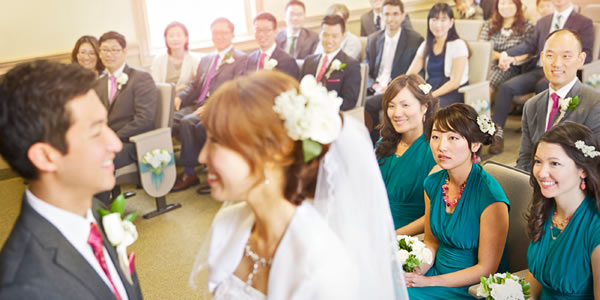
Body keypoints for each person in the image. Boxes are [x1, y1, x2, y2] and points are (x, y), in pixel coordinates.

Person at [189, 71, 408, 299]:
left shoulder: (324, 267)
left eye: (216, 141)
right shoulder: (227, 224)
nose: (202, 157)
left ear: (274, 152)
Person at [0, 60, 143, 299]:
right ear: (46, 156)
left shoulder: (95, 211)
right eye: (96, 132)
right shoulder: (23, 287)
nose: (116, 144)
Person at [405, 103, 510, 299]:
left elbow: (486, 269)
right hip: (435, 274)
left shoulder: (490, 197)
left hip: (469, 287)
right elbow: (431, 242)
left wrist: (429, 282)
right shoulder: (433, 183)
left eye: (453, 138)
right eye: (436, 137)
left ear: (475, 145)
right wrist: (419, 271)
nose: (441, 146)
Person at [490, 0, 594, 154]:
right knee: (506, 87)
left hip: (561, 72)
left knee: (543, 86)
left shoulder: (583, 22)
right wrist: (508, 54)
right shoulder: (543, 21)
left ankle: (543, 137)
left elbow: (588, 54)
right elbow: (529, 45)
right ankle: (497, 134)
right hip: (539, 68)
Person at [524, 122, 600, 299]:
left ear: (583, 170)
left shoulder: (595, 228)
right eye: (538, 162)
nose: (542, 173)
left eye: (554, 163)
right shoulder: (546, 209)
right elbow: (536, 277)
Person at [171, 17, 247, 192]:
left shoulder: (242, 59)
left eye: (224, 32)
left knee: (188, 121)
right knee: (169, 119)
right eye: (215, 33)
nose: (219, 36)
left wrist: (213, 106)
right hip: (197, 102)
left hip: (221, 106)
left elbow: (238, 89)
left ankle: (190, 172)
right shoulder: (206, 59)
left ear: (232, 35)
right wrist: (180, 97)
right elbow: (195, 85)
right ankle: (165, 169)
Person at [516, 29, 600, 171]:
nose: (556, 63)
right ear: (542, 58)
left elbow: (595, 163)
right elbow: (525, 159)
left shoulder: (595, 104)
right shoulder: (531, 105)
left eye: (566, 56)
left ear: (581, 60)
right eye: (550, 55)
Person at [376, 74, 440, 235]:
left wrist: (392, 237)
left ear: (424, 107)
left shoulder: (436, 151)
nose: (397, 113)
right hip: (372, 224)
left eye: (405, 105)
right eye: (391, 106)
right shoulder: (383, 143)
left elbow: (435, 215)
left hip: (406, 236)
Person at [364, 0, 424, 140]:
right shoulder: (373, 39)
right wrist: (373, 85)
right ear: (382, 16)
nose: (390, 18)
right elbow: (365, 71)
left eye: (395, 14)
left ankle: (375, 147)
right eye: (387, 14)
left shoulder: (415, 40)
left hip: (396, 90)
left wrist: (392, 87)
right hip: (374, 88)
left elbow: (416, 75)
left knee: (367, 104)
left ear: (403, 16)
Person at [407, 3, 470, 108]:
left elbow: (455, 82)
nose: (438, 24)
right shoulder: (426, 44)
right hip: (430, 89)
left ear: (451, 23)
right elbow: (410, 74)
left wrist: (430, 96)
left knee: (426, 108)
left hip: (453, 92)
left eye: (443, 20)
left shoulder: (458, 45)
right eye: (434, 19)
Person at [301, 15, 360, 111]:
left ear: (343, 36)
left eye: (335, 36)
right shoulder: (309, 61)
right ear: (320, 34)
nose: (329, 40)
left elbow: (349, 101)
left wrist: (323, 107)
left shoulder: (351, 65)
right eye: (325, 35)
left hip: (331, 115)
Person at [479, 0, 535, 95]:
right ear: (497, 6)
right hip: (487, 64)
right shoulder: (489, 24)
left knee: (491, 79)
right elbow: (482, 48)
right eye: (502, 3)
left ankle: (479, 108)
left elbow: (529, 51)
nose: (506, 6)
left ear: (517, 5)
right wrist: (501, 56)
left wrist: (511, 59)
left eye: (510, 3)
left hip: (513, 66)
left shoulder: (528, 26)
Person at [244, 13, 299, 79]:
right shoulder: (250, 59)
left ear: (275, 32)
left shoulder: (287, 61)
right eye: (258, 30)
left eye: (267, 30)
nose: (261, 34)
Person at [150, 21, 200, 93]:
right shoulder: (158, 59)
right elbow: (154, 85)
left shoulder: (194, 59)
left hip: (186, 98)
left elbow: (198, 84)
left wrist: (180, 89)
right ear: (166, 39)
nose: (175, 39)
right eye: (171, 36)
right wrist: (178, 89)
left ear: (186, 38)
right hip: (164, 98)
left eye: (179, 35)